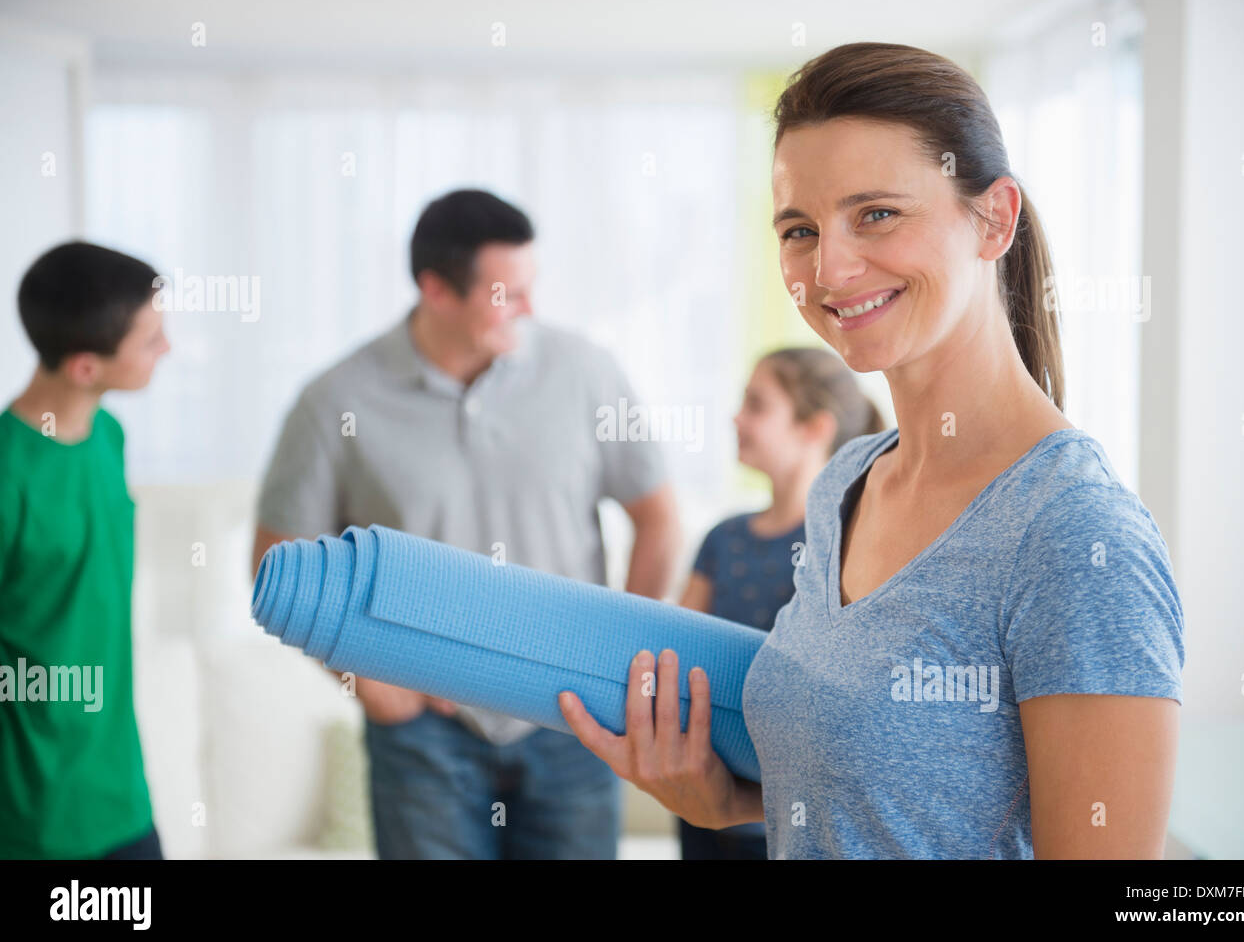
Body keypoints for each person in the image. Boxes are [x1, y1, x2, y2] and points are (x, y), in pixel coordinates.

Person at [559, 42, 1184, 859]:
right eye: (799, 229)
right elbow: (890, 800)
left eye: (877, 214)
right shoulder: (845, 483)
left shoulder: (1072, 535)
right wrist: (731, 800)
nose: (830, 268)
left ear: (993, 218)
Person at [253, 189, 680, 859]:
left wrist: (619, 663)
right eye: (508, 293)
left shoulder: (586, 372)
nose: (531, 310)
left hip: (575, 723)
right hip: (424, 735)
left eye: (531, 287)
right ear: (436, 291)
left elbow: (655, 516)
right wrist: (359, 677)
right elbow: (276, 561)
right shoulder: (335, 399)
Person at [676, 347, 883, 859]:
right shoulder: (721, 539)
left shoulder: (853, 544)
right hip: (703, 805)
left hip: (797, 822)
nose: (736, 417)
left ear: (814, 428)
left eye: (756, 405)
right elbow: (676, 654)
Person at [0, 241, 171, 859]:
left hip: (122, 796)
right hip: (32, 818)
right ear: (85, 366)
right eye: (150, 340)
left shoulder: (108, 436)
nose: (168, 350)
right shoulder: (8, 477)